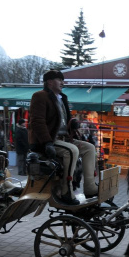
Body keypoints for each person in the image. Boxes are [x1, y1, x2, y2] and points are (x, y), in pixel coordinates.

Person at [28, 70, 98, 205]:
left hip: (63, 138)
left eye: (62, 80)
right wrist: (47, 142)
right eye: (59, 79)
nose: (62, 82)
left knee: (89, 148)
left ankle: (90, 187)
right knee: (72, 151)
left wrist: (73, 122)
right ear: (49, 82)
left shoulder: (61, 97)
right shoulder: (39, 96)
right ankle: (66, 191)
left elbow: (65, 119)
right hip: (47, 140)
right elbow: (37, 122)